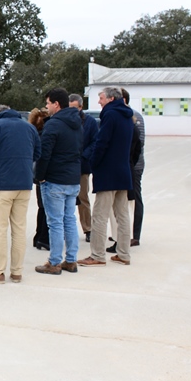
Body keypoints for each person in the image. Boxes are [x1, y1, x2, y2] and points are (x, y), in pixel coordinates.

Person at [0, 105, 41, 283]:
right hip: (25, 182)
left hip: (3, 183)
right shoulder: (29, 127)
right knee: (19, 229)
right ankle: (17, 272)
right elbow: (38, 152)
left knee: (0, 230)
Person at [79, 87, 134, 267]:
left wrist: (94, 162)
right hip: (123, 171)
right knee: (122, 215)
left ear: (110, 99)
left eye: (101, 98)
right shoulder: (128, 115)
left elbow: (102, 142)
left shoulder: (109, 115)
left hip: (108, 172)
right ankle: (124, 254)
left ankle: (97, 255)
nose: (99, 102)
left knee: (100, 216)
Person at [33, 88, 83, 276]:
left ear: (56, 104)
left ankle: (54, 262)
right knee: (69, 219)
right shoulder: (78, 123)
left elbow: (44, 154)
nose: (46, 107)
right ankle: (70, 260)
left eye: (48, 103)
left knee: (55, 222)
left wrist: (40, 176)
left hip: (55, 180)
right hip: (72, 179)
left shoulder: (53, 125)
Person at [69, 93, 98, 242]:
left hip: (82, 166)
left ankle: (88, 229)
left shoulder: (90, 122)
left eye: (75, 108)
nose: (73, 111)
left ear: (81, 107)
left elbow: (95, 141)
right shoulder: (65, 121)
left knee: (83, 198)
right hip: (67, 166)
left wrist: (84, 156)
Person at [122, 87, 145, 246]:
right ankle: (123, 233)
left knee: (135, 198)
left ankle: (135, 235)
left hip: (134, 166)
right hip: (125, 165)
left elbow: (139, 143)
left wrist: (130, 162)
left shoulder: (135, 116)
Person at [28, 107, 50, 251]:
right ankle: (43, 238)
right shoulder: (46, 136)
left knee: (41, 207)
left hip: (37, 176)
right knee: (48, 208)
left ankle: (38, 237)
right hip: (46, 175)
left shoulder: (33, 136)